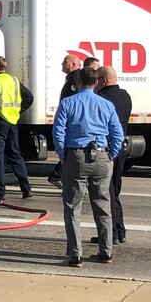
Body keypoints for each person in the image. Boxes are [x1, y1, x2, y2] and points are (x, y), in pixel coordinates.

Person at [53, 67, 124, 267]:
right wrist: (111, 154)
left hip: (76, 155)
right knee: (102, 205)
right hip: (101, 154)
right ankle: (106, 251)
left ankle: (75, 254)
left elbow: (58, 132)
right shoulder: (106, 105)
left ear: (79, 81)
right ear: (95, 82)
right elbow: (117, 133)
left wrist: (63, 155)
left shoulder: (68, 102)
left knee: (73, 206)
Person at [0, 56, 34, 204]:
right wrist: (17, 111)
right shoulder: (14, 80)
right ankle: (26, 188)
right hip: (12, 121)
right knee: (15, 155)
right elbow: (29, 98)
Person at [93, 65, 132, 244]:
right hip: (121, 147)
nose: (95, 83)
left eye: (98, 80)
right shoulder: (125, 96)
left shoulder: (101, 99)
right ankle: (121, 230)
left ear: (104, 80)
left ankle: (111, 234)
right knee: (115, 191)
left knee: (105, 193)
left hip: (107, 150)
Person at [48, 54, 83, 188]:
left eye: (65, 62)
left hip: (71, 121)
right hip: (70, 120)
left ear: (73, 64)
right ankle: (58, 176)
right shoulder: (73, 78)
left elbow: (74, 100)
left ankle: (58, 176)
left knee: (71, 150)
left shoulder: (75, 79)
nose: (62, 64)